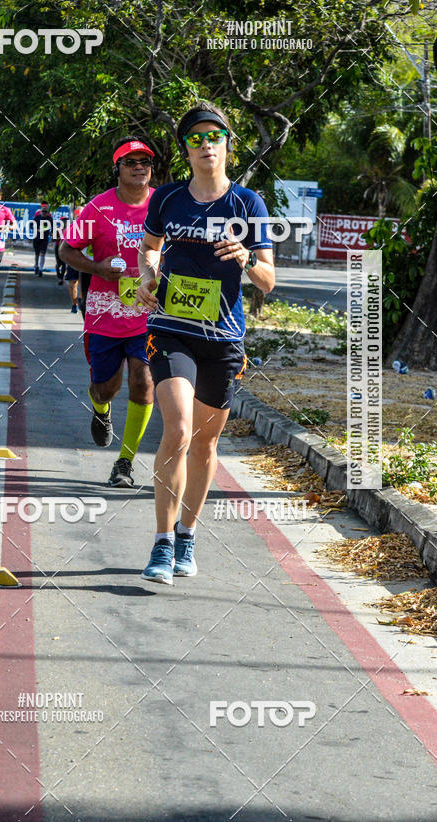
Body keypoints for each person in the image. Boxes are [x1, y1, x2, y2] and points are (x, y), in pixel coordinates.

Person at [135, 102, 275, 584]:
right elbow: (150, 249)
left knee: (205, 442)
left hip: (223, 336)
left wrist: (244, 259)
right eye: (196, 138)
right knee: (176, 428)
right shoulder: (168, 198)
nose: (206, 144)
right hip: (172, 327)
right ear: (187, 149)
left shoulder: (248, 204)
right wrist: (146, 274)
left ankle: (188, 534)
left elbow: (269, 280)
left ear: (228, 145)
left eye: (215, 136)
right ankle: (161, 540)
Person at [60, 137, 156, 487]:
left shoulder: (161, 205)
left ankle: (125, 462)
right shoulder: (97, 208)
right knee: (106, 386)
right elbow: (66, 251)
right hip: (104, 311)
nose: (139, 167)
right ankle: (101, 410)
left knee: (143, 383)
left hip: (148, 312)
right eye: (131, 162)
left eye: (144, 161)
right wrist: (98, 268)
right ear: (117, 168)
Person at [32, 201, 52, 276]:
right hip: (36, 238)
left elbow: (53, 227)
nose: (44, 213)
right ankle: (36, 266)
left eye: (45, 212)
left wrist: (52, 233)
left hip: (44, 239)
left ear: (47, 212)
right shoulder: (37, 218)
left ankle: (41, 269)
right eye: (43, 211)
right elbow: (31, 225)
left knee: (43, 253)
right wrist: (35, 229)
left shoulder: (49, 219)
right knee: (37, 254)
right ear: (40, 211)